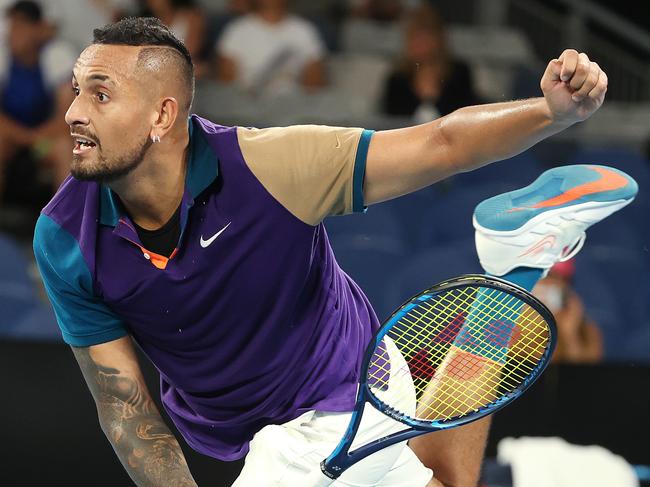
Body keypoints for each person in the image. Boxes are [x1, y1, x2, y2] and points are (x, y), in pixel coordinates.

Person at [32, 16, 613, 487]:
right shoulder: (64, 238)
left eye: (101, 94)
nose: (74, 112)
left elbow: (441, 143)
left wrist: (551, 114)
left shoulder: (271, 168)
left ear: (162, 115)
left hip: (341, 396)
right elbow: (125, 407)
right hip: (240, 431)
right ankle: (508, 266)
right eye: (78, 90)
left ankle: (506, 266)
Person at [0, 0, 76, 204]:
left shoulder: (56, 56)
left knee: (63, 148)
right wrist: (22, 137)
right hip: (12, 140)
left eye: (21, 26)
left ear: (38, 29)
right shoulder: (3, 57)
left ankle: (62, 228)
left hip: (41, 143)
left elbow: (66, 117)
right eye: (12, 25)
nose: (13, 33)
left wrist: (34, 138)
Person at [381, 5, 481, 123]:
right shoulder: (398, 79)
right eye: (416, 37)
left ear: (439, 39)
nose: (421, 44)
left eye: (426, 37)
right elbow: (390, 122)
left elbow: (465, 117)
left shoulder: (459, 73)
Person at [215, 0, 327, 96]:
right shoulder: (237, 30)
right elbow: (227, 82)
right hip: (247, 105)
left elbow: (314, 81)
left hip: (293, 105)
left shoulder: (304, 30)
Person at [532, 259, 603, 363]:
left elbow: (584, 375)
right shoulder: (506, 319)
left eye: (552, 276)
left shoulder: (588, 331)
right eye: (544, 276)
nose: (547, 284)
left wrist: (568, 333)